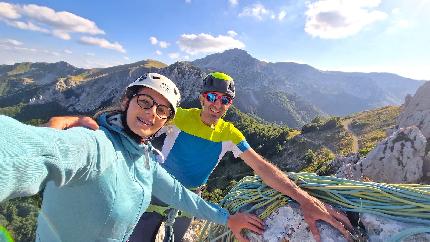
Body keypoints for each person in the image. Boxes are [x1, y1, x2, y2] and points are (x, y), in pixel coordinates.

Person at [48, 72, 353, 242]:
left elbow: (262, 168)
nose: (215, 105)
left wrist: (303, 199)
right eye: (210, 97)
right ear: (201, 97)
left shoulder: (230, 134)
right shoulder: (178, 117)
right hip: (152, 194)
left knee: (176, 240)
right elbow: (136, 124)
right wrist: (87, 124)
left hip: (190, 200)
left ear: (229, 104)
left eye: (224, 100)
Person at [0, 73, 263, 242]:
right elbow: (19, 150)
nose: (151, 114)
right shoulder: (94, 144)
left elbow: (180, 195)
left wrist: (227, 218)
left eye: (162, 110)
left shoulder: (145, 159)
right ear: (127, 101)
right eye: (145, 102)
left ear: (167, 122)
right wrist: (48, 132)